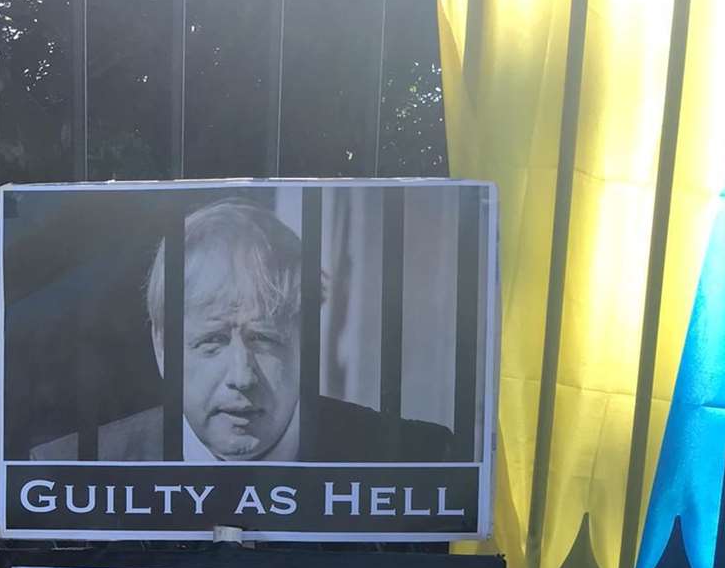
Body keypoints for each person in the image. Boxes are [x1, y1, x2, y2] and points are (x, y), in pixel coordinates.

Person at [30, 198, 455, 464]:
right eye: (212, 341)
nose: (242, 376)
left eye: (265, 339)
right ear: (162, 347)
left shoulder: (417, 459)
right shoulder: (72, 468)